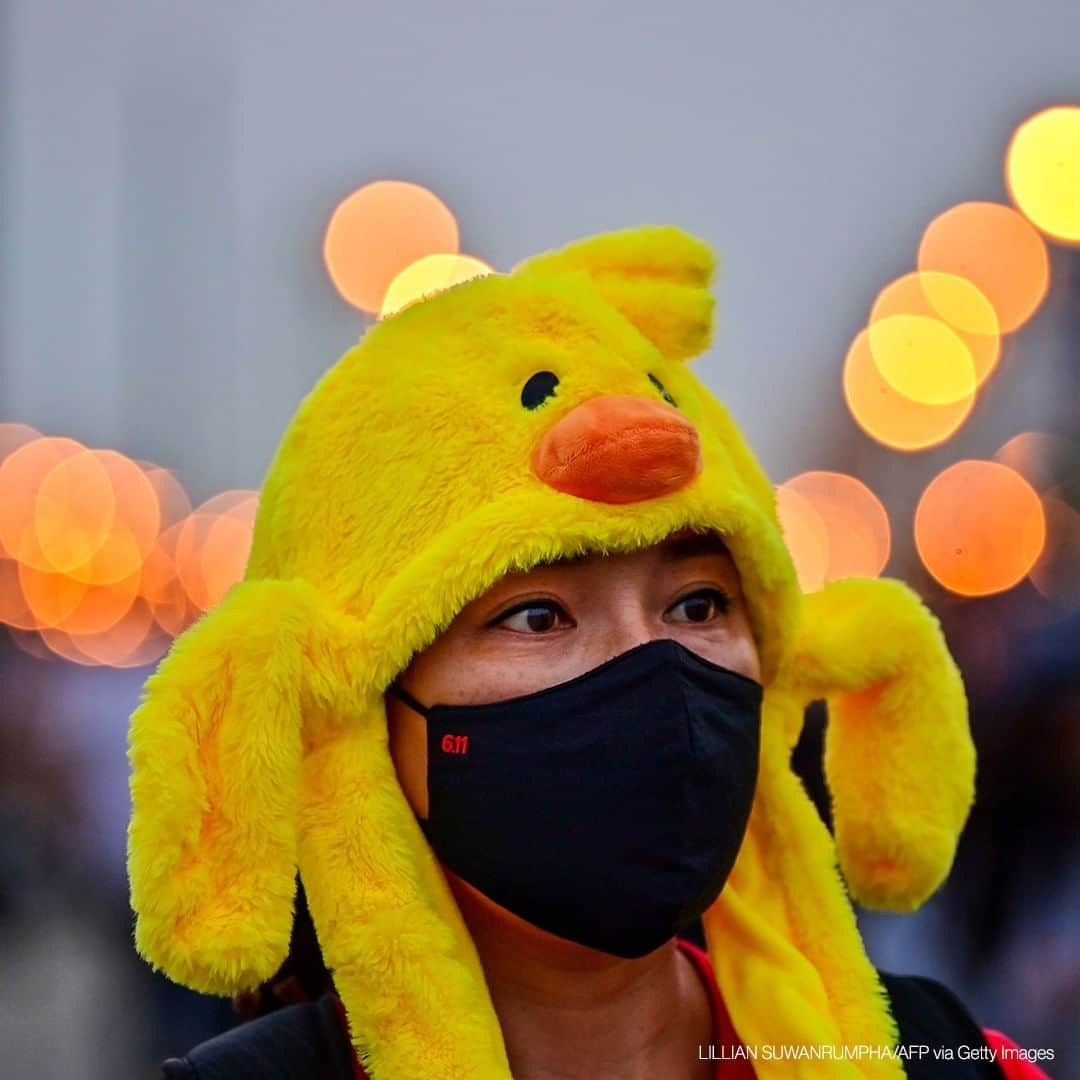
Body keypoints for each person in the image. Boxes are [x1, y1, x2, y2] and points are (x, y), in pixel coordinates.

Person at [128, 226, 1052, 1078]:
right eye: (536, 616)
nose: (651, 667)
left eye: (698, 603)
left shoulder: (949, 1058)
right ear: (361, 709)